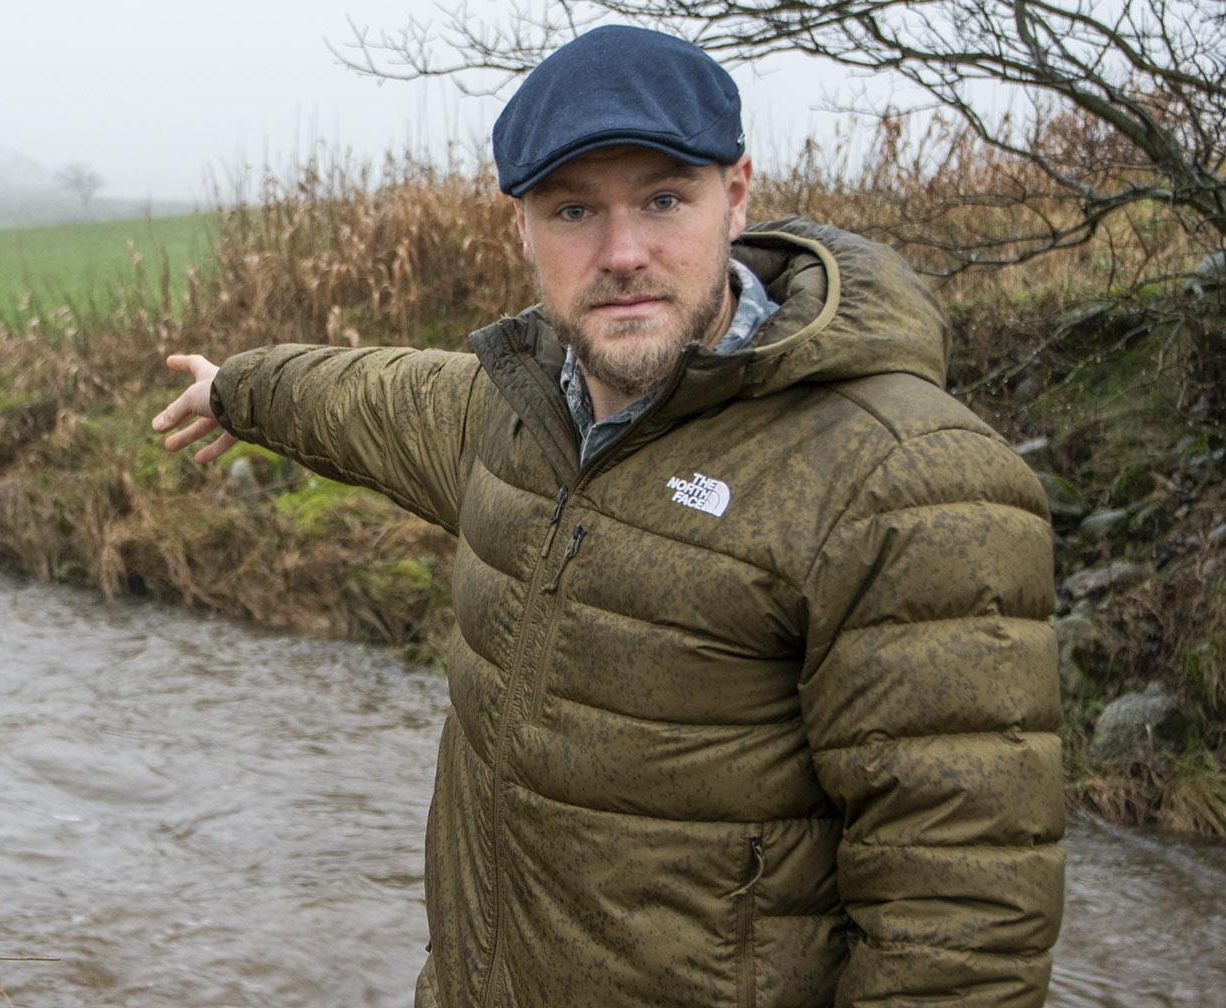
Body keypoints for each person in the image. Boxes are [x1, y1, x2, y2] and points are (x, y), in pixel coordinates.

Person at [153, 24, 1063, 1008]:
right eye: (575, 209)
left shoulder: (901, 480)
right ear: (524, 229)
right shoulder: (515, 415)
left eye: (664, 199)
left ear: (738, 195)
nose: (623, 252)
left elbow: (963, 925)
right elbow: (365, 396)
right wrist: (234, 390)